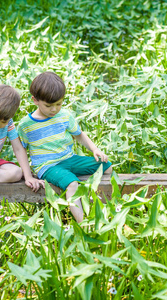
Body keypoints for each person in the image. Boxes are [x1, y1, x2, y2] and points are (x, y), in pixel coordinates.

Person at [18, 72, 112, 222]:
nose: (54, 109)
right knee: (72, 184)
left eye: (59, 104)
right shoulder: (26, 125)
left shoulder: (64, 115)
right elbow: (20, 149)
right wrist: (28, 175)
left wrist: (95, 149)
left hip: (69, 159)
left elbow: (79, 134)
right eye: (48, 105)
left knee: (106, 167)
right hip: (47, 166)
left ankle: (102, 209)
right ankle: (83, 224)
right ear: (35, 100)